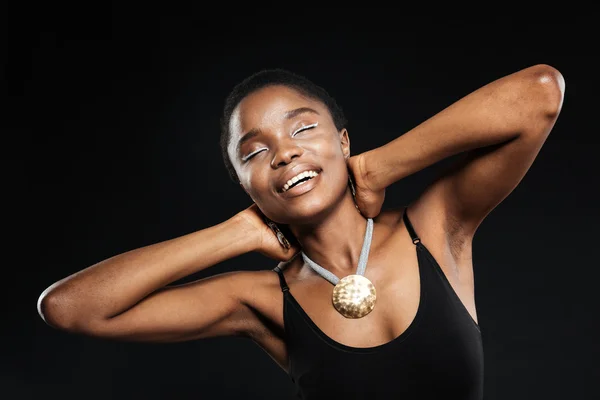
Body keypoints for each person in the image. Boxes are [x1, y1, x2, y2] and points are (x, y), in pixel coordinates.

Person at [37, 64, 565, 399]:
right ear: (247, 184)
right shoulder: (260, 299)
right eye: (255, 151)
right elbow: (69, 307)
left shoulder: (435, 226)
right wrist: (235, 235)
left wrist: (380, 168)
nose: (284, 152)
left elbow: (539, 93)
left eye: (303, 128)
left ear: (342, 140)